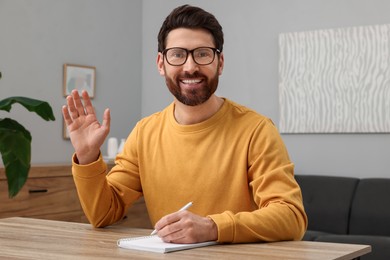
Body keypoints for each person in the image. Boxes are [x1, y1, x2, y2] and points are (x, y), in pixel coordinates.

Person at [62, 4, 307, 244]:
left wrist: (212, 228)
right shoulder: (145, 133)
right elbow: (103, 214)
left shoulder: (257, 130)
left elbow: (291, 216)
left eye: (202, 54)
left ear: (219, 63)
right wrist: (87, 156)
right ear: (161, 64)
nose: (190, 67)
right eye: (178, 55)